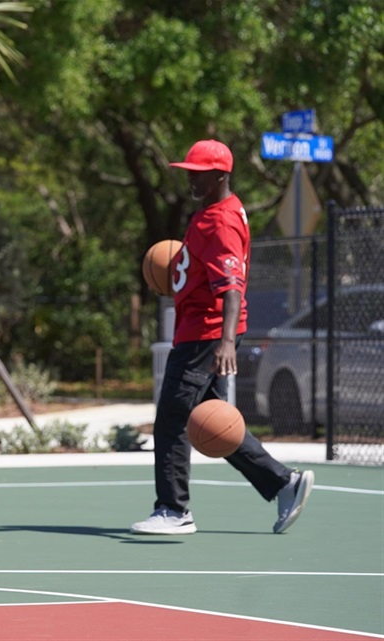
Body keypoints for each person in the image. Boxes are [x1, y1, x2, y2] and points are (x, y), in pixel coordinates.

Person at [131, 139, 314, 536]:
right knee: (213, 423)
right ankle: (284, 482)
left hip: (206, 334)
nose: (191, 179)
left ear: (221, 175)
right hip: (203, 331)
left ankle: (173, 510)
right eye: (188, 172)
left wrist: (226, 341)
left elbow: (232, 286)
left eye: (199, 174)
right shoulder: (215, 212)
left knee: (172, 420)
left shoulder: (220, 221)